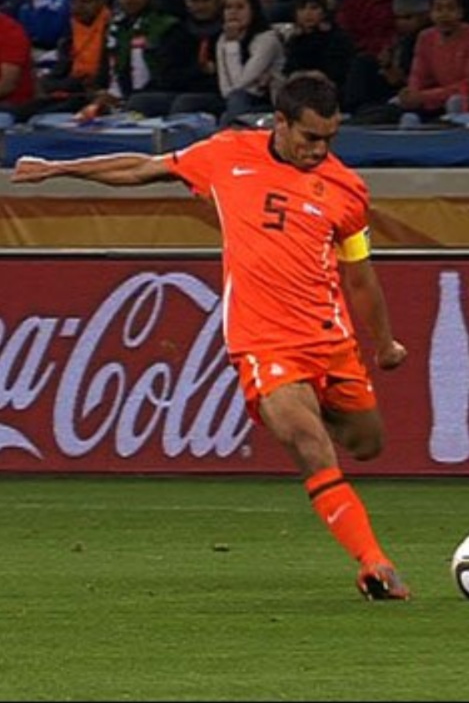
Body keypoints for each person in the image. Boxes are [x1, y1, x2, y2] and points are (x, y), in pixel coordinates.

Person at [9, 70, 414, 603]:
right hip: (263, 343)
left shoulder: (347, 190)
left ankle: (312, 410)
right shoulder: (226, 153)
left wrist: (383, 344)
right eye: (310, 138)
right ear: (283, 122)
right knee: (310, 445)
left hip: (329, 341)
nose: (320, 150)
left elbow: (360, 275)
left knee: (368, 443)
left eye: (329, 140)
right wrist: (58, 168)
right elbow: (141, 168)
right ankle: (373, 563)